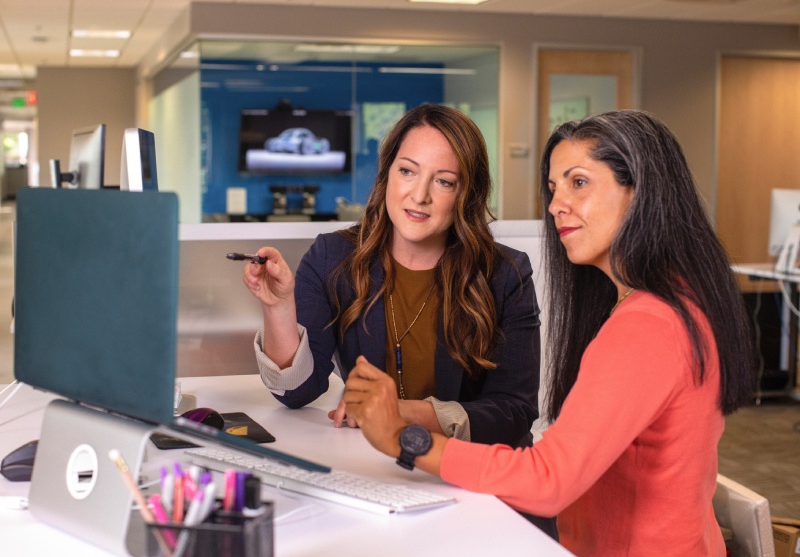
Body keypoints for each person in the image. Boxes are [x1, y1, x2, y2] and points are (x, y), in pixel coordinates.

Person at [343, 110, 756, 555]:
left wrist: (404, 440)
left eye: (579, 182)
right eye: (554, 188)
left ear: (641, 192)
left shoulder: (649, 325)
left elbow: (549, 480)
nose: (557, 204)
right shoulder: (676, 300)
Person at [242, 103, 543, 447]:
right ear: (387, 174)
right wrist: (279, 307)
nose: (419, 195)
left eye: (444, 181)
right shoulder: (333, 257)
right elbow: (296, 392)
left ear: (465, 194)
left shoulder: (505, 274)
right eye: (408, 171)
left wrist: (400, 411)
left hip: (469, 471)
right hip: (374, 463)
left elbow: (514, 413)